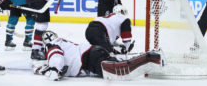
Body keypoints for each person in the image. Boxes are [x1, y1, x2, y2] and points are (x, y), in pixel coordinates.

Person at [33, 30, 163, 81]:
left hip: (90, 57)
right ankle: (152, 56)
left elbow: (56, 56)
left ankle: (151, 57)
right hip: (93, 53)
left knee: (118, 70)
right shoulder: (62, 41)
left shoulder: (51, 46)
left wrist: (55, 69)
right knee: (117, 64)